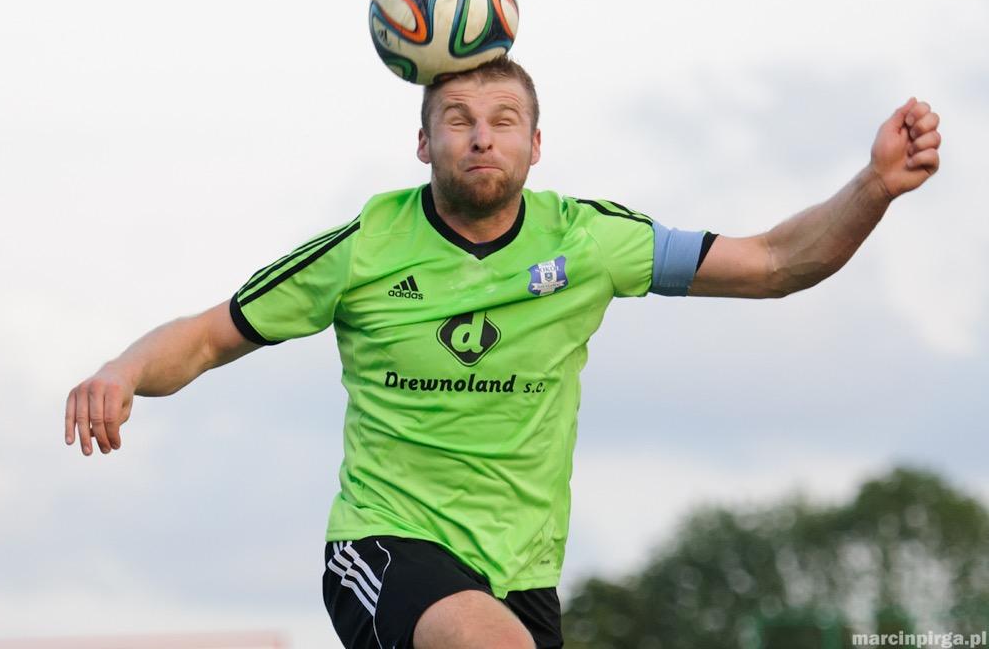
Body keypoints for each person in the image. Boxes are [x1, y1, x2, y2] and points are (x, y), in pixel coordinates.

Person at [64, 56, 941, 649]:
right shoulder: (367, 247)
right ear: (424, 144)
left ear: (534, 145)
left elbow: (776, 264)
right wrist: (122, 371)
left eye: (503, 120)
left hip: (523, 577)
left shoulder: (588, 241)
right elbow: (209, 334)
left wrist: (874, 186)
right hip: (385, 544)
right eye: (458, 120)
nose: (481, 136)